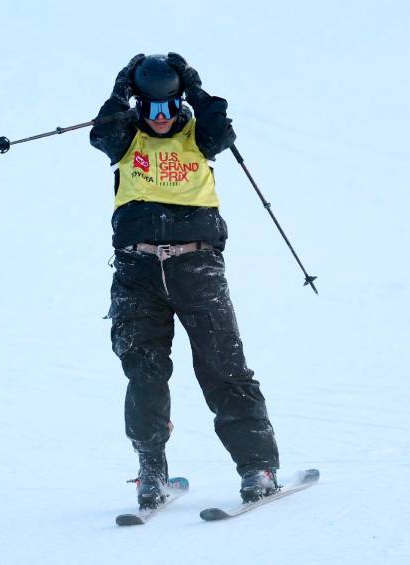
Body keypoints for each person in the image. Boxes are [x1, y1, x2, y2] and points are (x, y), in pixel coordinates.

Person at [90, 53, 280, 509]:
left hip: (197, 268)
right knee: (145, 373)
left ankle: (258, 467)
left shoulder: (200, 135)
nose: (160, 117)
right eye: (151, 107)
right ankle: (151, 473)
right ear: (139, 105)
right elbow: (102, 131)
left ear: (181, 104)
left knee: (223, 367)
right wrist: (120, 90)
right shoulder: (126, 138)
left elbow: (222, 128)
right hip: (137, 272)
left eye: (169, 106)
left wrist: (194, 87)